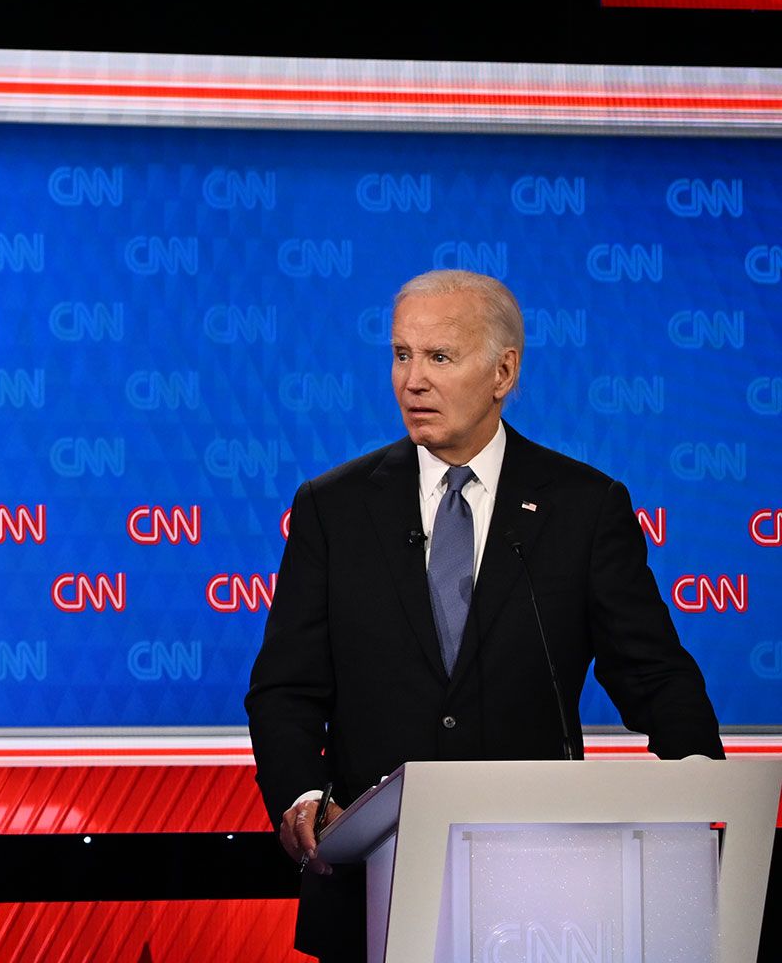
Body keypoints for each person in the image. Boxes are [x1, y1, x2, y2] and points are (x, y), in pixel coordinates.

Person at [244, 268, 723, 962]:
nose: (412, 380)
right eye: (402, 354)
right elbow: (285, 690)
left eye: (439, 357)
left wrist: (702, 798)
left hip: (544, 901)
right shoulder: (332, 508)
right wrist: (304, 800)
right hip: (372, 890)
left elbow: (655, 678)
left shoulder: (584, 508)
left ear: (503, 371)